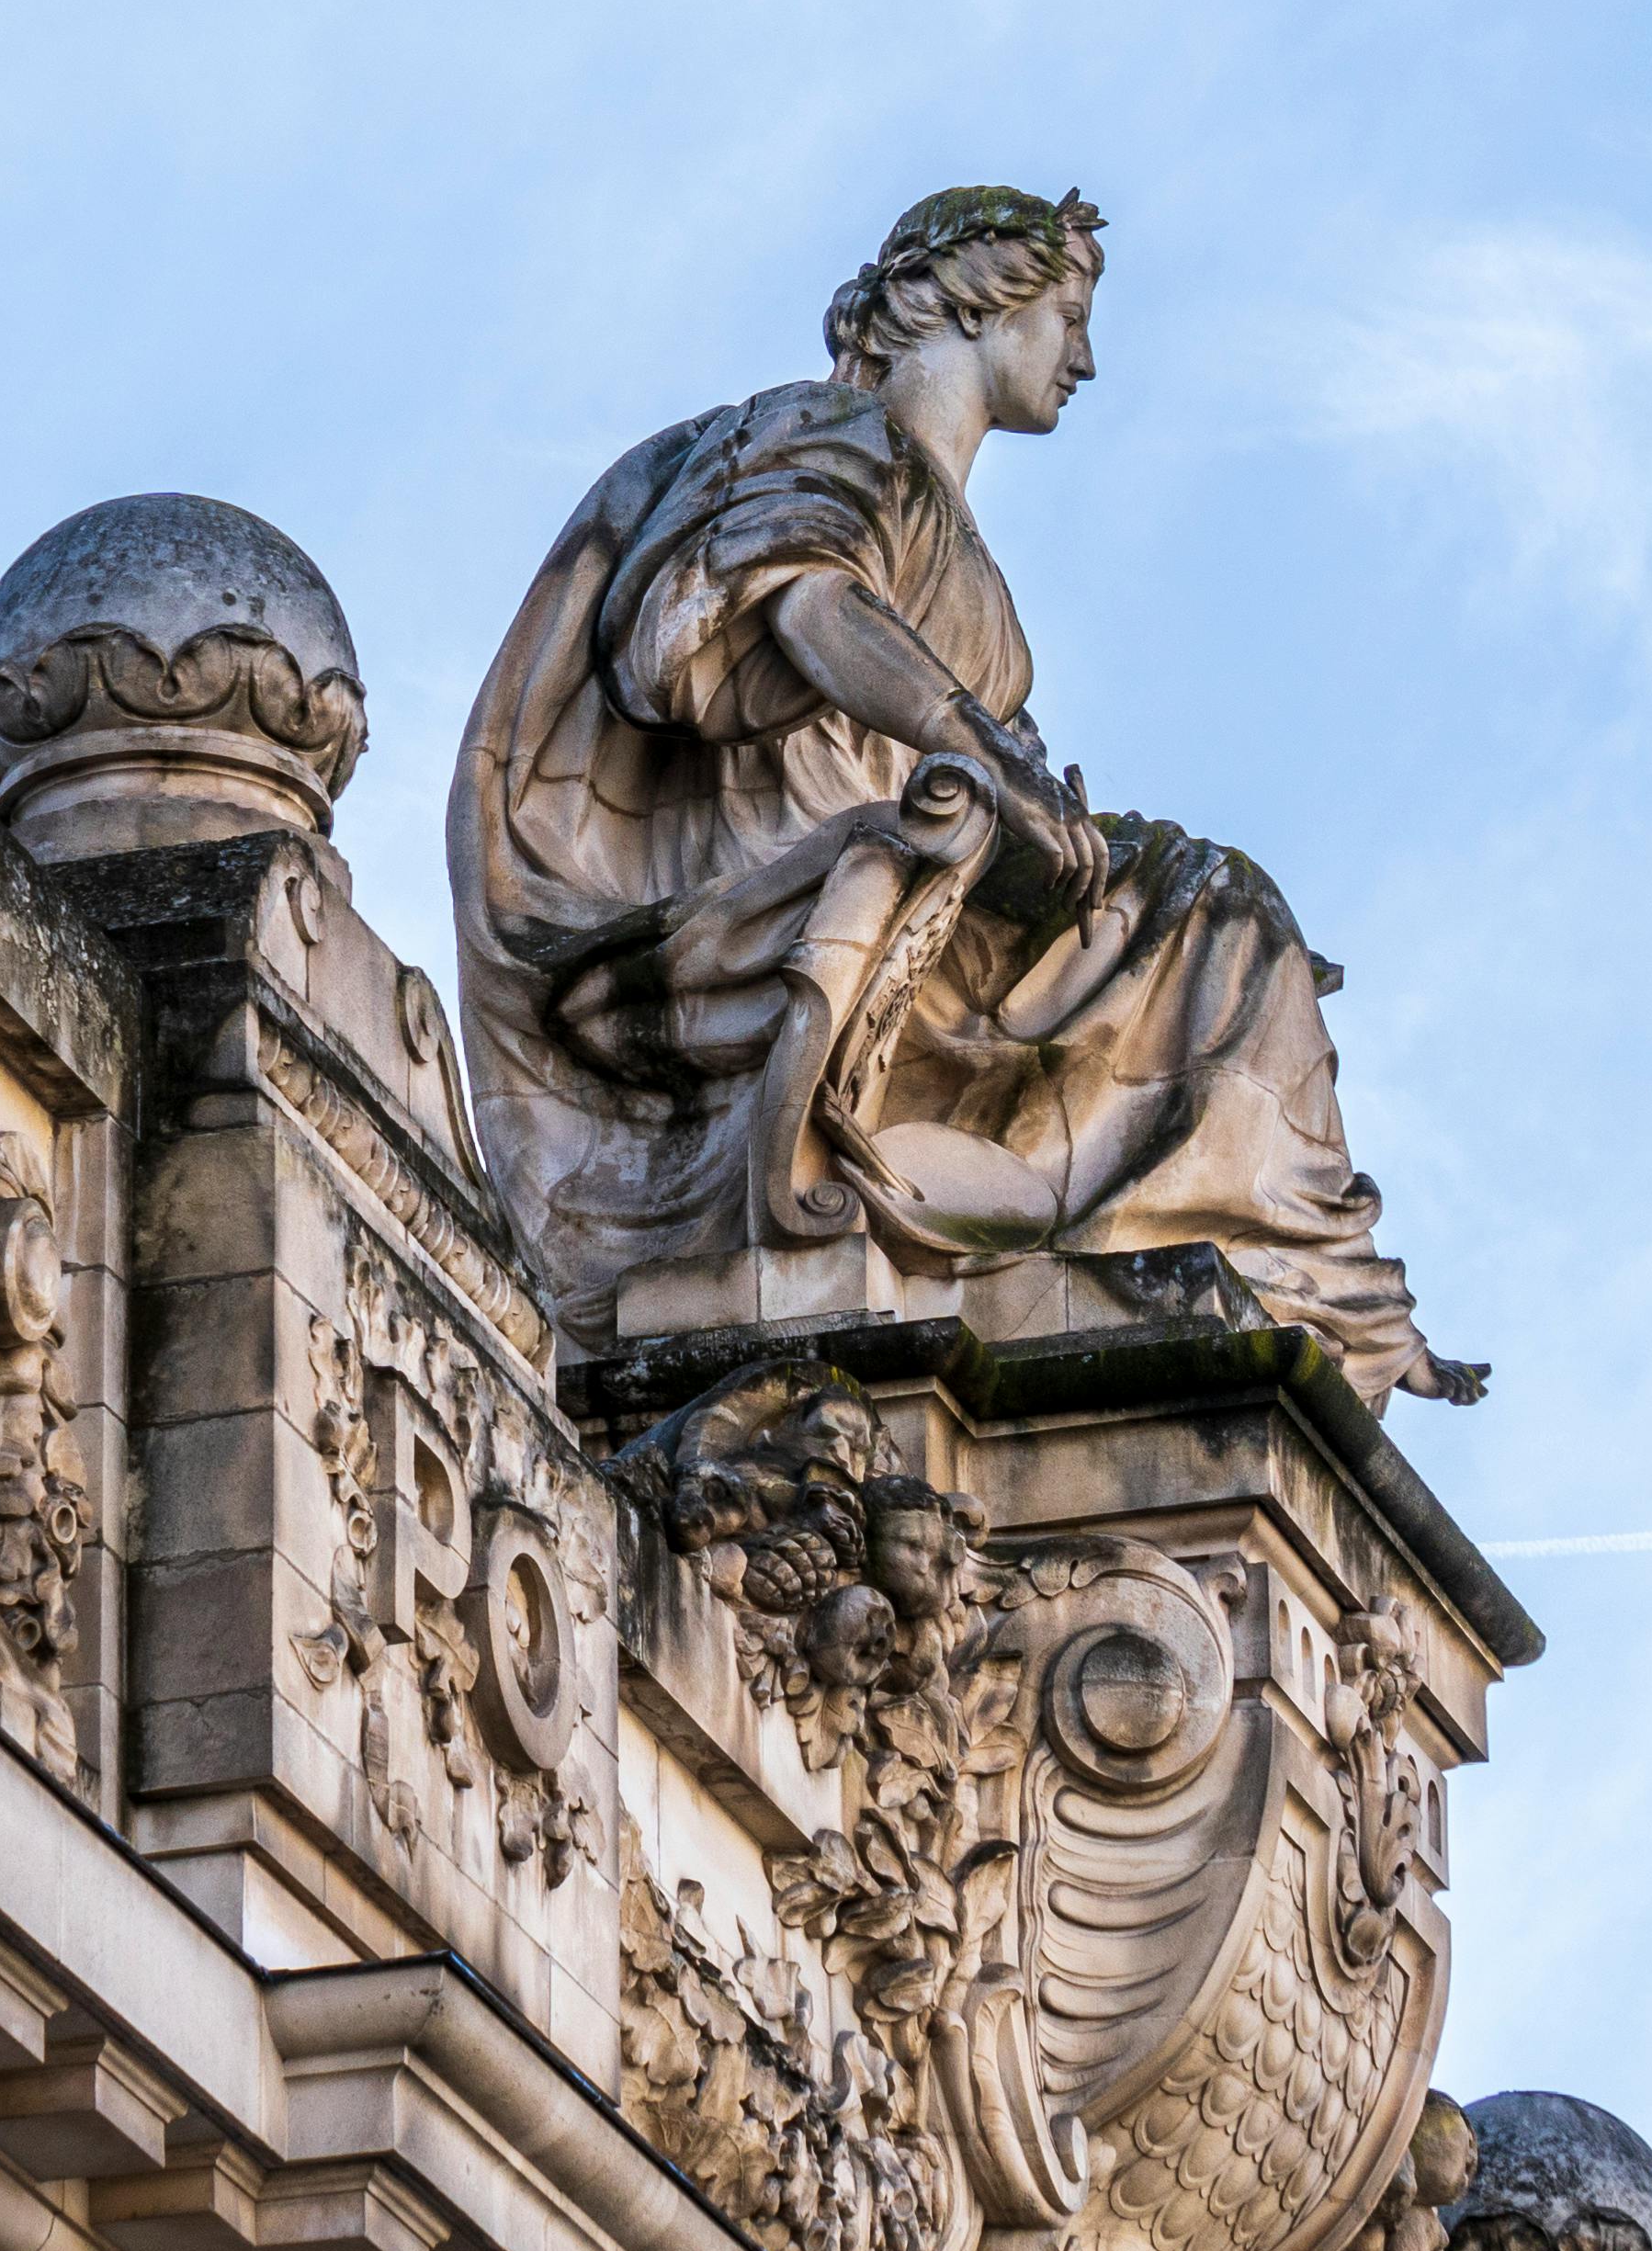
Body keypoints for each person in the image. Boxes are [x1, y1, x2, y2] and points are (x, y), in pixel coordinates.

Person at [447, 185, 1474, 1404]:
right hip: (785, 879)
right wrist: (976, 751)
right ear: (984, 302)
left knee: (1220, 915)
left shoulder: (948, 535)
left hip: (925, 874)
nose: (1083, 356)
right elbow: (795, 603)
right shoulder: (823, 433)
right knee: (1216, 911)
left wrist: (1039, 811)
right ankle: (1181, 1256)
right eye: (1070, 314)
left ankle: (1301, 1284)